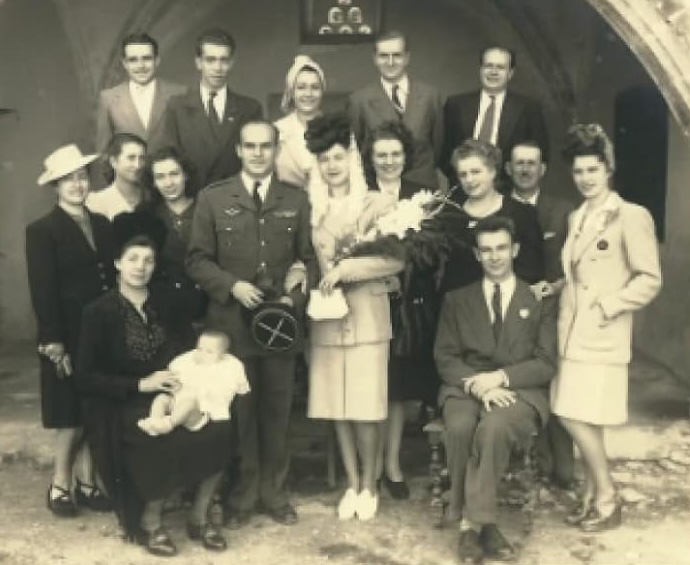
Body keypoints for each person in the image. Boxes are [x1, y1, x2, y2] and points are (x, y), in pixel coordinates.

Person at [76, 211, 232, 556]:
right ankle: (151, 521)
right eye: (132, 259)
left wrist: (184, 381)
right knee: (155, 438)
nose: (140, 266)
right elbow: (85, 377)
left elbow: (186, 351)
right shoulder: (97, 312)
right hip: (124, 401)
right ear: (117, 263)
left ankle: (199, 514)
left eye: (148, 260)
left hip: (171, 392)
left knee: (218, 428)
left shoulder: (167, 303)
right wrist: (140, 386)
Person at [186, 120, 317, 528]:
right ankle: (243, 495)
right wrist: (233, 286)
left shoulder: (295, 199)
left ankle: (274, 494)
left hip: (280, 329)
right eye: (250, 146)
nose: (258, 153)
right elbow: (196, 260)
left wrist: (293, 297)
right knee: (240, 411)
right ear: (239, 151)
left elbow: (309, 259)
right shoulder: (213, 198)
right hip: (232, 328)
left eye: (266, 146)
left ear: (276, 150)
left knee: (277, 410)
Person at [552, 124, 661, 532]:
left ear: (608, 169)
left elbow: (649, 279)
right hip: (570, 334)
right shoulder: (576, 216)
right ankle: (591, 494)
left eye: (593, 170)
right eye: (579, 171)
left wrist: (609, 306)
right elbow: (579, 275)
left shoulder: (630, 215)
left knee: (572, 415)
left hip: (601, 335)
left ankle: (608, 497)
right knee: (583, 416)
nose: (585, 178)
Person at [434, 216, 557, 563]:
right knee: (459, 426)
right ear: (476, 254)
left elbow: (546, 363)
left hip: (519, 390)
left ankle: (469, 525)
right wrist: (478, 387)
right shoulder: (457, 299)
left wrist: (500, 378)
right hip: (466, 387)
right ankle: (484, 526)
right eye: (486, 250)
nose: (495, 256)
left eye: (502, 248)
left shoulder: (537, 299)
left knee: (494, 427)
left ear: (515, 249)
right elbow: (445, 357)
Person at [305, 113, 404, 520]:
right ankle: (351, 482)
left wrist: (347, 269)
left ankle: (371, 483)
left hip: (367, 318)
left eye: (338, 157)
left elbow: (395, 261)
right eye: (324, 159)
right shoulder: (312, 210)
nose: (332, 166)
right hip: (328, 321)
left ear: (352, 158)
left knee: (366, 407)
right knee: (338, 407)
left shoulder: (378, 204)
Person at [26, 144, 116, 517]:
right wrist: (53, 341)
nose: (78, 186)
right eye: (69, 180)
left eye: (82, 178)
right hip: (65, 335)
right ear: (56, 187)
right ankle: (60, 483)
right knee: (69, 414)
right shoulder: (42, 231)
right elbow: (43, 290)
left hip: (101, 334)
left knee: (96, 410)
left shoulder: (103, 224)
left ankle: (88, 480)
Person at [361, 120, 439, 500]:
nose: (389, 161)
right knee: (368, 386)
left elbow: (431, 253)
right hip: (366, 301)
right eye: (381, 155)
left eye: (395, 154)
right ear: (370, 159)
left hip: (405, 307)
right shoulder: (359, 193)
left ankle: (390, 464)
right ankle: (367, 467)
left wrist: (403, 273)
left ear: (406, 157)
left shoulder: (420, 197)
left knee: (396, 390)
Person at [506, 140, 577, 489]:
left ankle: (562, 467)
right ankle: (527, 465)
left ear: (543, 169)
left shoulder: (564, 211)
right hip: (512, 310)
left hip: (552, 306)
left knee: (554, 380)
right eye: (518, 163)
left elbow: (578, 263)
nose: (525, 169)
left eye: (531, 163)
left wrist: (557, 285)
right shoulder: (500, 208)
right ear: (508, 168)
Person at [438, 139, 544, 295]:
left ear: (493, 171)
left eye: (475, 172)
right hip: (458, 309)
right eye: (463, 174)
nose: (469, 180)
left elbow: (531, 272)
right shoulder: (448, 214)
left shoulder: (521, 213)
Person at [164, 28, 263, 191]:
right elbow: (169, 159)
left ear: (231, 62)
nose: (218, 67)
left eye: (224, 60)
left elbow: (257, 162)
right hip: (193, 200)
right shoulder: (176, 107)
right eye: (210, 60)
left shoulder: (249, 109)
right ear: (198, 62)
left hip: (235, 201)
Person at [349, 30, 444, 189]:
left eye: (397, 55)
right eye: (384, 56)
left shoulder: (430, 96)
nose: (390, 62)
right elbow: (357, 151)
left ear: (407, 58)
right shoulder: (359, 101)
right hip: (378, 189)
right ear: (375, 59)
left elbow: (439, 146)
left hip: (423, 187)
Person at [441, 45, 549, 184]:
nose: (493, 72)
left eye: (500, 67)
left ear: (510, 73)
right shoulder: (456, 105)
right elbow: (443, 152)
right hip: (464, 187)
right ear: (481, 69)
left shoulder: (528, 108)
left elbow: (541, 154)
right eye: (488, 66)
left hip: (508, 190)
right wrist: (463, 178)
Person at [137, 330, 249, 436]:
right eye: (199, 348)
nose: (202, 354)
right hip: (177, 403)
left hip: (198, 411)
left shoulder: (225, 368)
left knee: (189, 403)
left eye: (209, 352)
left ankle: (168, 424)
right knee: (161, 398)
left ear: (222, 355)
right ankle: (155, 420)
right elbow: (176, 373)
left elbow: (236, 386)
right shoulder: (188, 362)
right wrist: (176, 385)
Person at [143, 146, 207, 321]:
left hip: (209, 305)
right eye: (160, 177)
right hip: (165, 309)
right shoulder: (145, 216)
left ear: (186, 175)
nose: (169, 183)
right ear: (153, 182)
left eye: (174, 174)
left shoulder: (207, 208)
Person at [95, 33, 186, 156]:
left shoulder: (180, 93)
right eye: (133, 60)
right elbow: (104, 152)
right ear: (124, 64)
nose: (140, 66)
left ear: (157, 60)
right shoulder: (108, 98)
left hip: (168, 174)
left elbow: (189, 145)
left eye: (147, 58)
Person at [274, 55, 325, 188]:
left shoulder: (338, 129)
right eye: (301, 87)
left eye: (315, 87)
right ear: (291, 92)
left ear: (322, 91)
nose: (308, 93)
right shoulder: (277, 131)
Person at [86, 132, 147, 220]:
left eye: (142, 158)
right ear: (113, 161)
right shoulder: (98, 202)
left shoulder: (150, 196)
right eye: (131, 158)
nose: (138, 165)